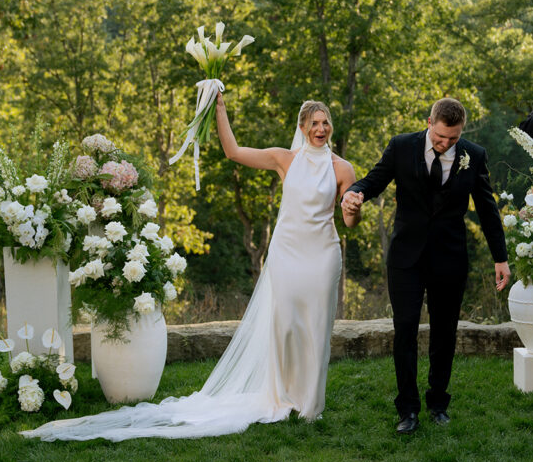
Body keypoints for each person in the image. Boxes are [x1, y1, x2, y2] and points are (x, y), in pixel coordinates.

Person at [23, 97, 357, 441]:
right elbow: (234, 151)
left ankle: (311, 406)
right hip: (287, 254)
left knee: (317, 328)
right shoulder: (284, 159)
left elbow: (349, 221)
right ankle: (285, 398)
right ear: (302, 128)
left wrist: (353, 207)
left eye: (325, 122)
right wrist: (221, 109)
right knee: (285, 327)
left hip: (321, 255)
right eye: (314, 123)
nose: (320, 129)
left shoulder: (342, 168)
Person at [341, 97, 510, 434]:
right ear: (429, 122)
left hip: (450, 257)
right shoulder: (402, 146)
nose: (445, 144)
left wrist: (500, 257)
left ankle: (438, 403)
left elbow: (487, 209)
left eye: (453, 138)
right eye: (440, 137)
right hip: (406, 256)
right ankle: (408, 410)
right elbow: (374, 180)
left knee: (444, 333)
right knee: (404, 330)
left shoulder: (473, 156)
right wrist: (354, 192)